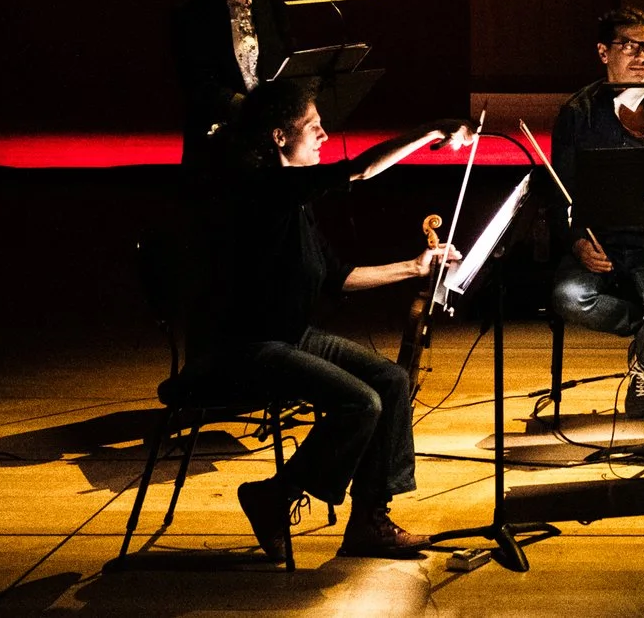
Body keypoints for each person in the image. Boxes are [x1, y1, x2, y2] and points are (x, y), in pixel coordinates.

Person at [198, 77, 469, 564]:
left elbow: (339, 277)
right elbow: (360, 170)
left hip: (291, 337)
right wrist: (429, 131)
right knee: (361, 403)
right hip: (248, 348)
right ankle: (275, 495)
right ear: (279, 136)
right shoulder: (263, 189)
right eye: (313, 126)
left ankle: (369, 520)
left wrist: (414, 267)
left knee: (391, 380)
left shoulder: (295, 202)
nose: (324, 134)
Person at [547, 6, 644, 418]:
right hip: (603, 239)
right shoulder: (578, 113)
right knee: (568, 296)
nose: (641, 56)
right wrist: (578, 242)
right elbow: (560, 191)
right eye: (629, 46)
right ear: (604, 52)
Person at [171, 0, 294, 167]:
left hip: (269, 132)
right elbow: (194, 79)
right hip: (219, 132)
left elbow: (286, 56)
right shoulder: (195, 9)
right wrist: (245, 106)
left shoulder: (273, 0)